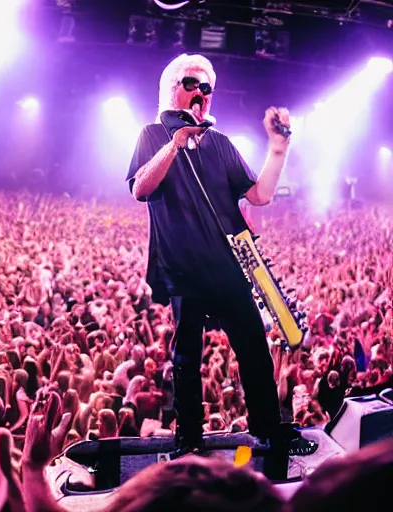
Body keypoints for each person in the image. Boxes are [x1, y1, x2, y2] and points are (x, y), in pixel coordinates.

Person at [126, 53, 317, 456]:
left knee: (252, 348)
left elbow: (260, 195)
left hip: (229, 266)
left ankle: (269, 428)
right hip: (183, 269)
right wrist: (175, 143)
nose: (200, 94)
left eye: (207, 88)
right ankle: (189, 442)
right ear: (171, 90)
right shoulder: (151, 134)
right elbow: (141, 188)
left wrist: (278, 149)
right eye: (191, 85)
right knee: (186, 359)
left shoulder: (221, 143)